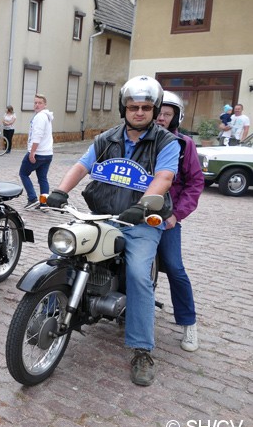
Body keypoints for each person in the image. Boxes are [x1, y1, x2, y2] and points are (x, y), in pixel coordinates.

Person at [46, 75, 180, 387]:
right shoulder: (107, 138)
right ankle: (49, 308)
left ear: (155, 109)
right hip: (101, 214)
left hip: (140, 222)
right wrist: (60, 191)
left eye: (147, 107)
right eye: (134, 107)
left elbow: (164, 178)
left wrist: (144, 206)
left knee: (137, 275)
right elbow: (81, 166)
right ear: (124, 108)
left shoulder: (165, 142)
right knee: (61, 253)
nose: (140, 112)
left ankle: (142, 350)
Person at [155, 91, 204, 352]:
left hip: (166, 217)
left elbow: (195, 183)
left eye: (167, 114)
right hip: (132, 213)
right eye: (158, 112)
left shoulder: (185, 145)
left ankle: (189, 322)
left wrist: (176, 214)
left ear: (176, 117)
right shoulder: (140, 140)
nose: (161, 118)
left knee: (174, 267)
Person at [20, 94, 54, 209]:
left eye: (40, 103)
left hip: (38, 153)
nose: (37, 105)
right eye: (35, 103)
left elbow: (37, 136)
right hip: (48, 154)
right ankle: (44, 203)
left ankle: (32, 198)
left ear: (45, 105)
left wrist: (32, 152)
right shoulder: (47, 116)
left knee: (23, 173)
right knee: (43, 179)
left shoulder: (40, 117)